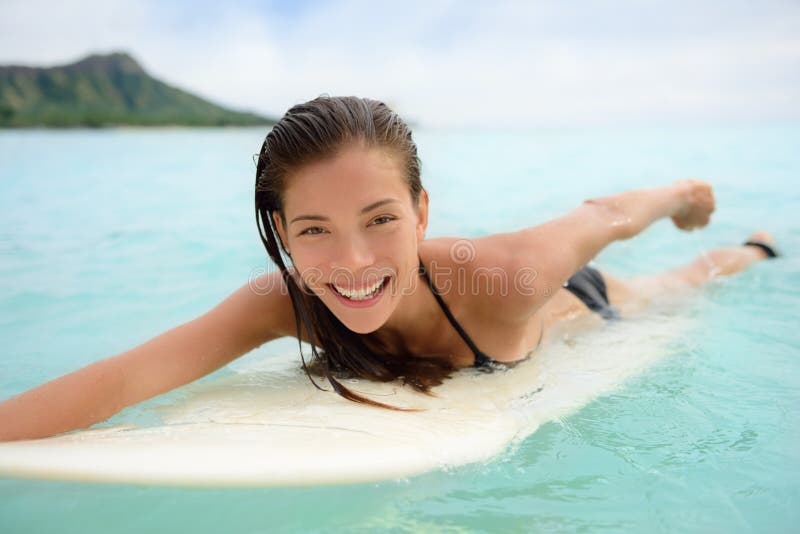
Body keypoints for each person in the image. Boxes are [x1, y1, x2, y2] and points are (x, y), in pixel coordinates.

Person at [0, 96, 780, 441]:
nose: (353, 262)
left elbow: (607, 216)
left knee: (678, 288)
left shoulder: (510, 271)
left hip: (578, 309)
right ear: (279, 231)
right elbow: (122, 380)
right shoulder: (280, 302)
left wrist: (685, 197)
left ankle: (751, 247)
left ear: (424, 213)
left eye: (381, 220)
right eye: (314, 230)